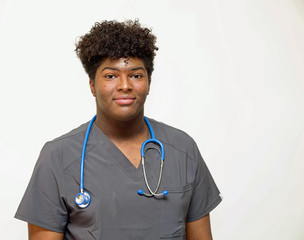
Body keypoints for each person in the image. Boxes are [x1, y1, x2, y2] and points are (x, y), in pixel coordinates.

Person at [15, 19, 222, 240]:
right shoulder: (58, 156)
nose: (125, 85)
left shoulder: (183, 149)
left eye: (136, 75)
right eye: (111, 76)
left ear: (149, 84)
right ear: (93, 86)